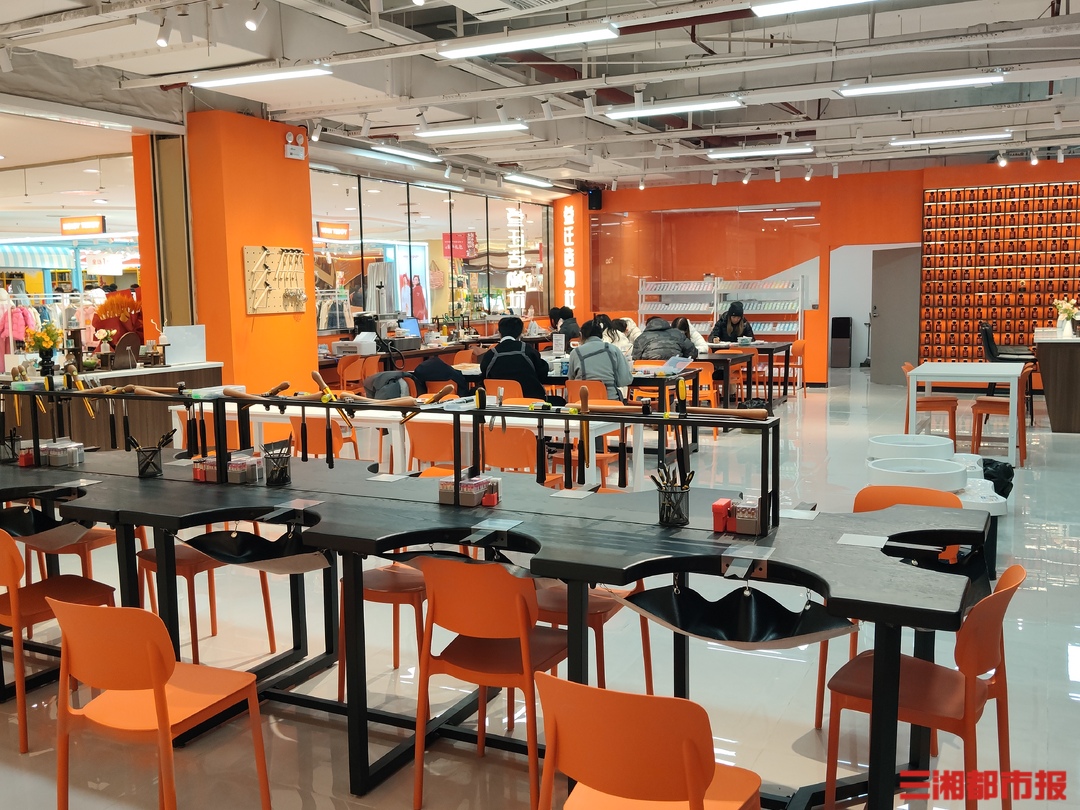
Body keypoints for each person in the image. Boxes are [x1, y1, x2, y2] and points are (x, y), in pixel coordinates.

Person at [480, 316, 551, 401]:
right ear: (520, 333)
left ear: (499, 332)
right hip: (531, 401)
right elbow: (542, 373)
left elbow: (484, 377)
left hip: (500, 402)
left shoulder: (491, 355)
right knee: (559, 401)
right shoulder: (527, 350)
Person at [568, 318, 632, 400]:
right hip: (610, 401)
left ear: (581, 335)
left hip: (582, 402)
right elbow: (625, 380)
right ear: (601, 335)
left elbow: (571, 379)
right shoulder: (613, 350)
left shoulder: (575, 352)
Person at [632, 316, 697, 360]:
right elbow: (692, 353)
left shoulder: (642, 337)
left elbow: (635, 358)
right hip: (674, 368)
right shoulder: (678, 334)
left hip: (649, 368)